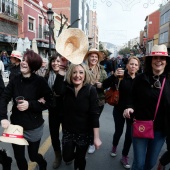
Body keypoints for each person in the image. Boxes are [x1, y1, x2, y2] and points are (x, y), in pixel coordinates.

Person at [0, 50, 53, 170]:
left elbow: (50, 101)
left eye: (28, 61)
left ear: (33, 65)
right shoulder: (15, 79)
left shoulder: (40, 81)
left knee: (33, 156)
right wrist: (3, 117)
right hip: (16, 126)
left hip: (34, 126)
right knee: (19, 157)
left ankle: (42, 163)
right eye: (23, 60)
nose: (24, 63)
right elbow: (4, 98)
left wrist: (30, 104)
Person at [123, 44, 170, 170]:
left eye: (162, 58)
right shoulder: (140, 78)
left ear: (166, 62)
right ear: (150, 61)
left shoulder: (169, 80)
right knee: (139, 164)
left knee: (150, 164)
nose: (158, 61)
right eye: (155, 58)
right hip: (141, 125)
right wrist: (129, 107)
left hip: (160, 130)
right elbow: (131, 98)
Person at [53, 63, 102, 170]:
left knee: (80, 161)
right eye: (74, 72)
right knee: (66, 157)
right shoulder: (66, 87)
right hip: (68, 131)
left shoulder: (91, 90)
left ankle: (80, 161)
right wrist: (61, 71)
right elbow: (57, 90)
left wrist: (96, 137)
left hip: (84, 133)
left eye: (81, 72)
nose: (77, 75)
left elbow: (94, 115)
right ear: (70, 74)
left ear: (85, 75)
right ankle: (77, 158)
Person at [97, 56, 140, 169]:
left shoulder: (140, 79)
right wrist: (114, 75)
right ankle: (114, 146)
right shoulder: (120, 77)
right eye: (131, 64)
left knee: (129, 136)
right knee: (118, 131)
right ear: (127, 65)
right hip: (119, 110)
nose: (133, 66)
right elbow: (104, 84)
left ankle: (124, 156)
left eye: (136, 65)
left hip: (133, 112)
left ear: (138, 67)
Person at [84, 48, 107, 154]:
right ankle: (85, 139)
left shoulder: (102, 70)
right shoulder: (83, 69)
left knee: (93, 121)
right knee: (85, 121)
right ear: (88, 57)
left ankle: (92, 143)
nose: (94, 58)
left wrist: (101, 86)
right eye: (92, 56)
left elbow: (106, 86)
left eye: (96, 57)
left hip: (99, 101)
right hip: (84, 99)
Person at [45, 54, 63, 168]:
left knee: (67, 135)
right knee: (54, 135)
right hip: (53, 110)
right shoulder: (47, 75)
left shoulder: (68, 75)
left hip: (66, 110)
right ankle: (58, 155)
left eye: (58, 61)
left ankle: (67, 153)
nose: (55, 63)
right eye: (53, 61)